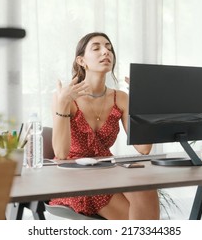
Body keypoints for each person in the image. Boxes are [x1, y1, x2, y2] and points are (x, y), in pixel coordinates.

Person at [50, 32, 160, 220]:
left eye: (109, 48)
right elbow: (61, 153)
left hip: (106, 169)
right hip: (73, 175)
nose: (105, 52)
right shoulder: (64, 97)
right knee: (133, 219)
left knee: (145, 188)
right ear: (81, 61)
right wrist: (62, 103)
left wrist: (143, 102)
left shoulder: (121, 98)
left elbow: (144, 148)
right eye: (96, 48)